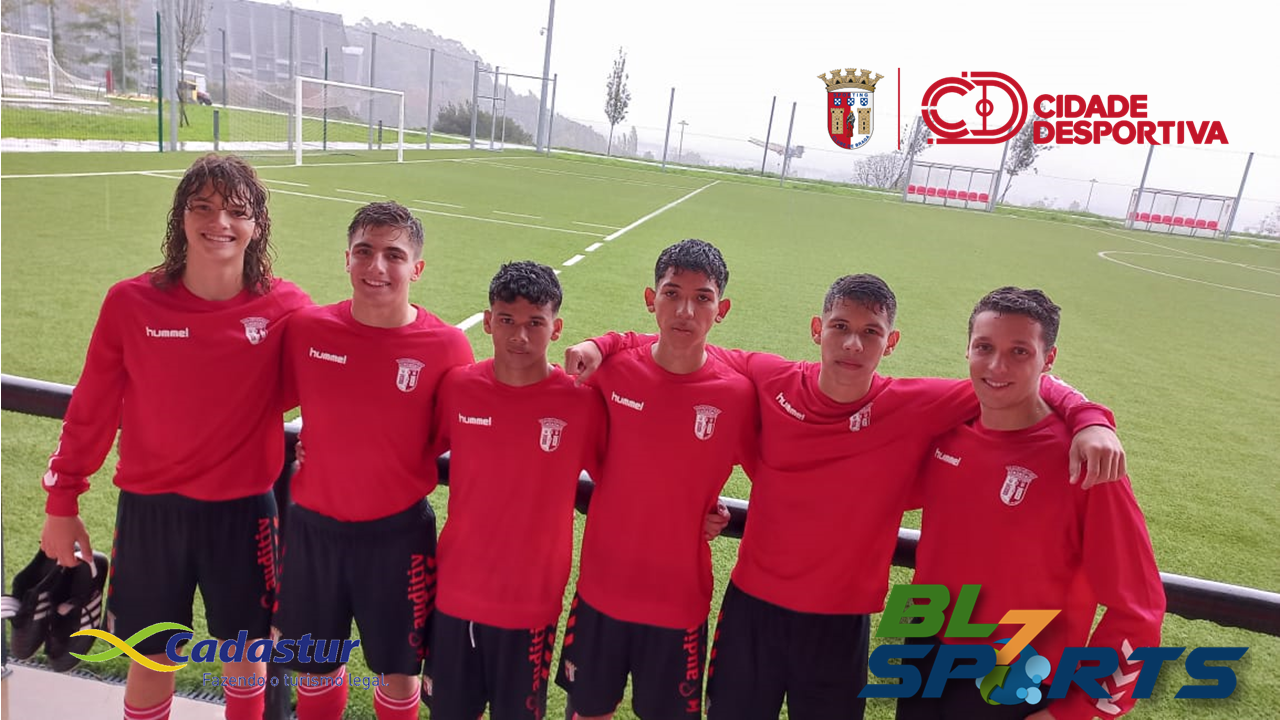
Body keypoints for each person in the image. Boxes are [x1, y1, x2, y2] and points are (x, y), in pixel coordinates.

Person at [566, 274, 1125, 720]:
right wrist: (604, 343)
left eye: (871, 332)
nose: (853, 344)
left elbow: (1014, 379)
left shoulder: (915, 404)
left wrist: (1090, 418)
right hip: (752, 610)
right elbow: (679, 340)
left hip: (841, 623)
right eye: (840, 326)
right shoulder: (771, 378)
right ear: (818, 330)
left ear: (891, 342)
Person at [38, 153, 311, 720]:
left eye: (236, 211)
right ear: (181, 217)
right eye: (203, 207)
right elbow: (91, 409)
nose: (219, 222)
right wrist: (62, 502)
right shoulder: (131, 302)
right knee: (151, 656)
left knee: (246, 656)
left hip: (245, 512)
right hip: (151, 512)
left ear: (257, 224)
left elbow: (331, 388)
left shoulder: (287, 309)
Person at [895, 287, 1164, 720]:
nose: (997, 366)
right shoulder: (945, 432)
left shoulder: (1085, 464)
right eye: (985, 347)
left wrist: (1073, 711)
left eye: (1019, 351)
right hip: (927, 653)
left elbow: (1138, 607)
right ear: (967, 348)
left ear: (1049, 359)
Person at [274, 201, 473, 720]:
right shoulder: (308, 329)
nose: (376, 266)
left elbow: (456, 437)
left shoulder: (448, 346)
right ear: (347, 259)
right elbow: (264, 402)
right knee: (315, 669)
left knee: (399, 673)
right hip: (313, 531)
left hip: (397, 537)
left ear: (417, 268)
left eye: (393, 255)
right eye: (364, 251)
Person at [554, 239, 758, 720]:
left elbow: (773, 476)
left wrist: (714, 510)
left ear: (722, 309)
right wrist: (605, 343)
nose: (685, 311)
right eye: (672, 293)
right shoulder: (611, 372)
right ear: (652, 299)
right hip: (601, 590)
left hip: (678, 601)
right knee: (586, 712)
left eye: (702, 298)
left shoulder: (738, 396)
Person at [426, 261, 607, 720]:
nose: (519, 336)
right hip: (456, 589)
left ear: (556, 328)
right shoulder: (459, 386)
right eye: (507, 320)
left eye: (535, 323)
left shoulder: (582, 401)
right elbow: (406, 449)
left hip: (532, 601)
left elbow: (623, 480)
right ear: (488, 321)